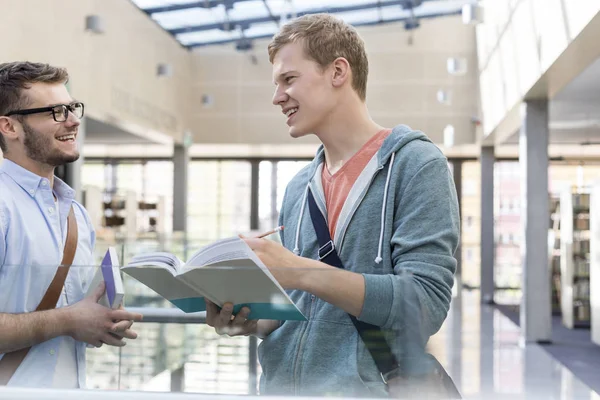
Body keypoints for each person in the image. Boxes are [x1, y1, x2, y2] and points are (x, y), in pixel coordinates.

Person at [205, 14, 460, 397]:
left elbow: (424, 304)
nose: (277, 97)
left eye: (288, 80)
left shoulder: (416, 166)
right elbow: (301, 307)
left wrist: (301, 271)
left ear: (338, 71)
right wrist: (252, 321)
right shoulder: (299, 188)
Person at [0, 61, 143, 388]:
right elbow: (67, 318)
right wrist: (66, 321)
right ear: (10, 127)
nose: (74, 120)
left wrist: (101, 320)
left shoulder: (75, 213)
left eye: (72, 108)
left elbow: (74, 312)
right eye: (56, 111)